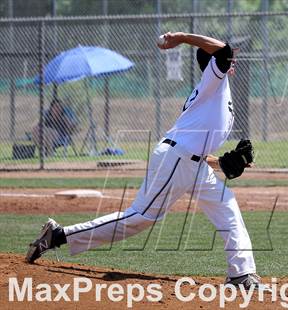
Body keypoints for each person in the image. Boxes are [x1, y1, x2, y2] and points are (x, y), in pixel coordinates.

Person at [26, 32, 262, 289]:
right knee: (140, 218)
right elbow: (224, 51)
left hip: (190, 162)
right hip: (175, 160)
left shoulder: (216, 90)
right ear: (214, 61)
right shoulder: (214, 79)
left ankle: (241, 274)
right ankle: (58, 236)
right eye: (229, 58)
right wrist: (181, 37)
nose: (234, 60)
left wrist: (223, 163)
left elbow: (197, 147)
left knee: (226, 205)